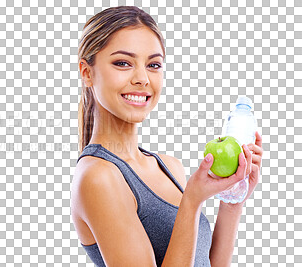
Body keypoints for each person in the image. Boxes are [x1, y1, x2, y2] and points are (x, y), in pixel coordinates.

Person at [70, 6, 263, 267]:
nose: (142, 78)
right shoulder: (98, 176)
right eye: (123, 63)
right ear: (87, 72)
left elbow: (208, 264)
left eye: (153, 65)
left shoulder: (169, 166)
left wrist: (233, 198)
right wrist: (192, 201)